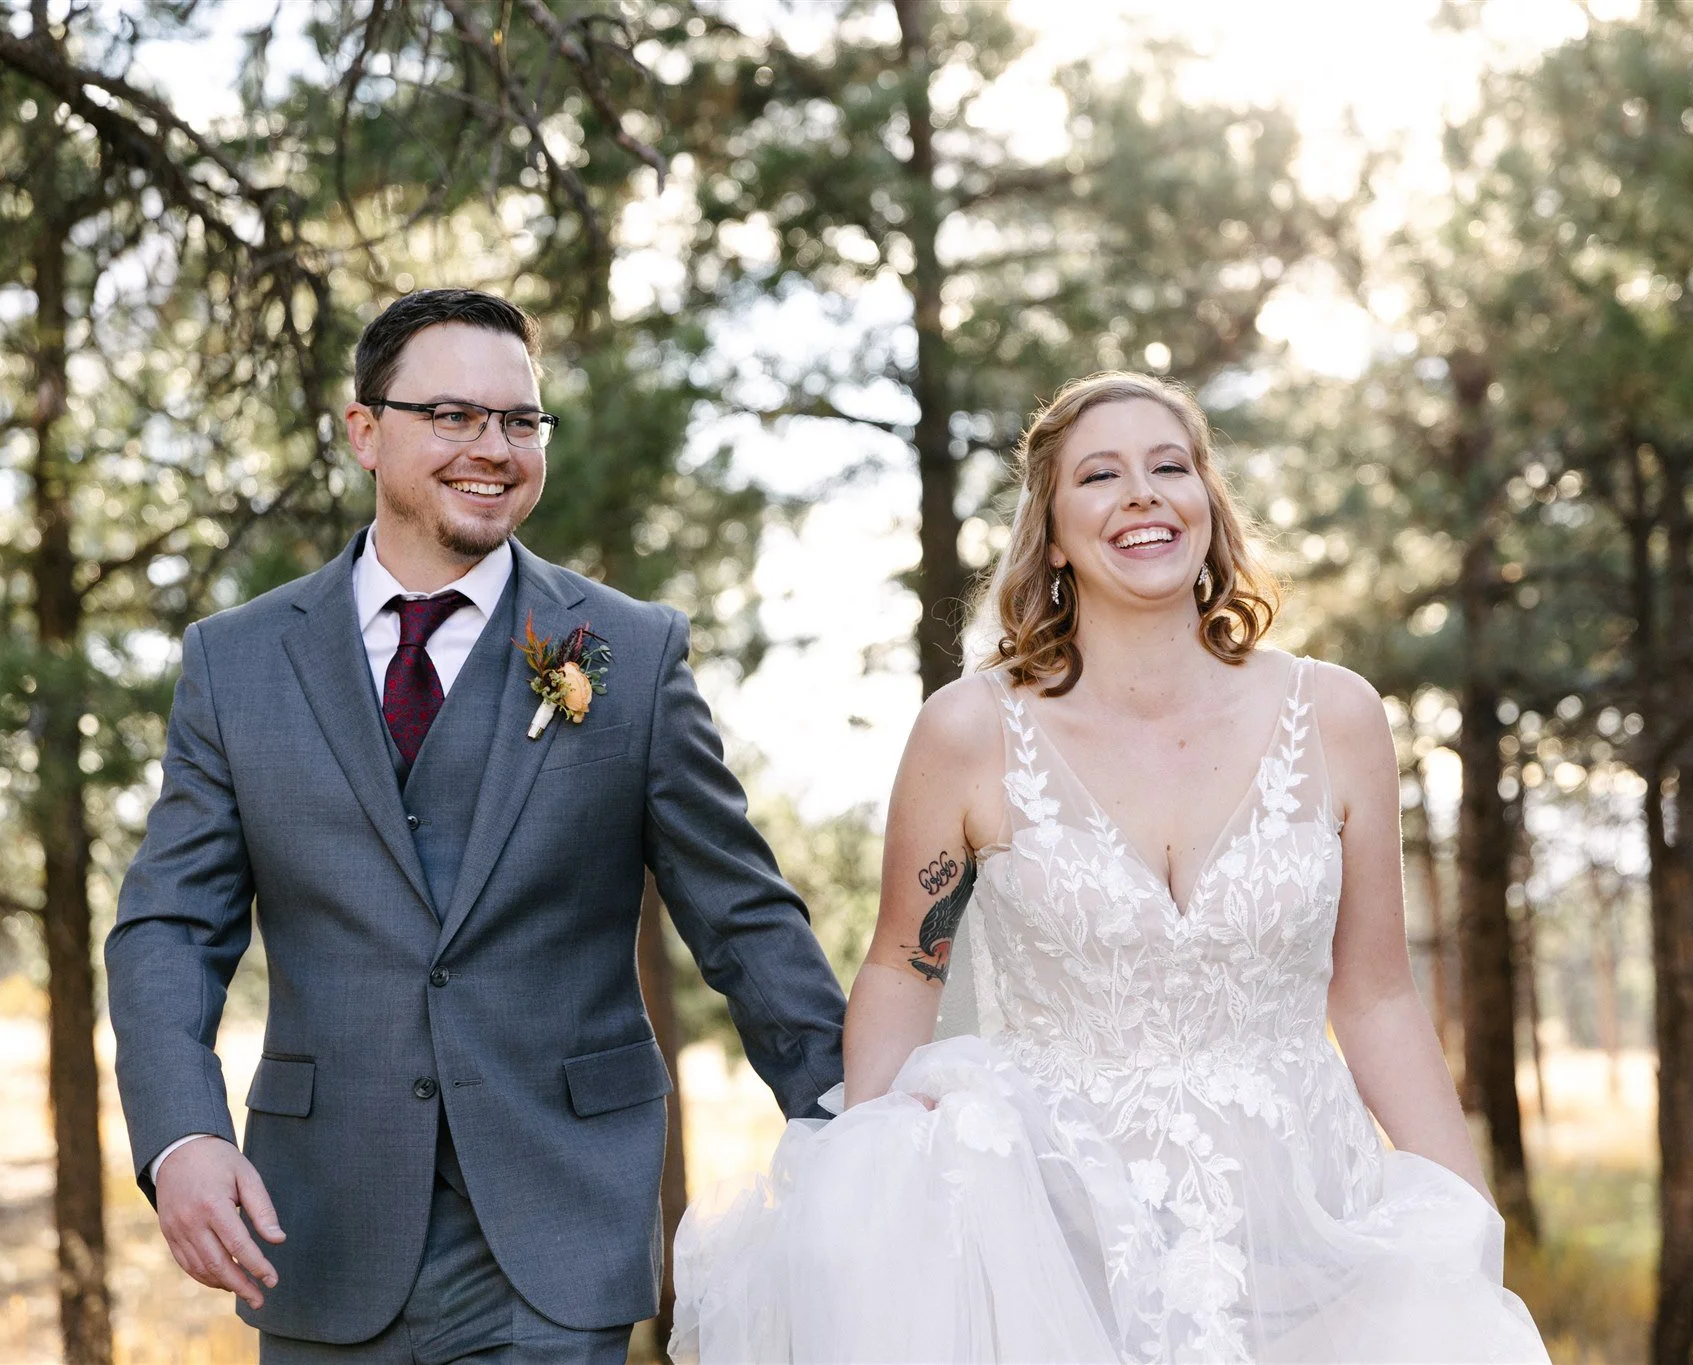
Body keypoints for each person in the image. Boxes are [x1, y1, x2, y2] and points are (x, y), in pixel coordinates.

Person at [672, 370, 1550, 1363]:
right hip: (1057, 1231)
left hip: (1303, 1222)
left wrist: (1468, 1229)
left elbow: (1378, 995)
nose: (1140, 494)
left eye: (1168, 467)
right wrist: (868, 1182)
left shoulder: (1336, 716)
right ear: (1051, 534)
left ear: (1206, 504)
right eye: (1099, 475)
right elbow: (903, 966)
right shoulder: (968, 733)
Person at [106, 288, 847, 1364]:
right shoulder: (238, 661)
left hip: (557, 1222)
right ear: (365, 431)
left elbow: (742, 917)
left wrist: (849, 1127)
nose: (493, 448)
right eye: (452, 415)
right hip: (318, 1226)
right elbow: (169, 928)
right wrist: (180, 1135)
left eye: (519, 420)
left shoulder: (629, 654)